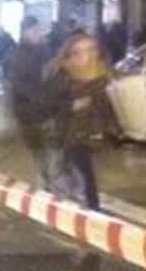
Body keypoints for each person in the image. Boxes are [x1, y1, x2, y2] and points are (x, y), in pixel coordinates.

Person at [43, 32, 121, 210]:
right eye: (79, 51)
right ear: (69, 53)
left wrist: (115, 126)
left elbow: (106, 102)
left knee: (81, 170)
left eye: (91, 49)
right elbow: (46, 104)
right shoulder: (59, 72)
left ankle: (82, 202)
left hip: (90, 131)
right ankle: (89, 207)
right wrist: (72, 106)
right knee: (78, 170)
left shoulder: (101, 73)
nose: (86, 55)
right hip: (65, 130)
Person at [4, 16, 57, 190]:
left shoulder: (45, 51)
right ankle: (45, 183)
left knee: (50, 149)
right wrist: (38, 98)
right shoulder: (18, 54)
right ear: (25, 32)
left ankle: (48, 181)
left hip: (46, 109)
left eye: (39, 30)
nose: (39, 34)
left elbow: (54, 75)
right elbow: (17, 83)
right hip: (29, 111)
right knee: (39, 149)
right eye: (35, 30)